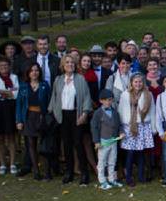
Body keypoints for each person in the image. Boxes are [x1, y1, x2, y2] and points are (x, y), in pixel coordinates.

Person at [49, 55, 93, 185]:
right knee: (66, 145)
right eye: (67, 62)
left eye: (72, 62)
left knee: (78, 144)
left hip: (76, 114)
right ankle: (69, 172)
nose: (70, 64)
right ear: (63, 65)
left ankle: (84, 173)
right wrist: (53, 114)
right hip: (63, 116)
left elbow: (86, 98)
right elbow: (54, 98)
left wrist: (84, 114)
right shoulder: (58, 80)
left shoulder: (80, 79)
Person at [16, 62, 53, 180]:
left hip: (41, 117)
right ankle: (36, 171)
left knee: (44, 145)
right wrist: (19, 120)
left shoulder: (44, 85)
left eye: (36, 70)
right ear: (28, 73)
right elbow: (19, 104)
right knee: (31, 145)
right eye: (32, 70)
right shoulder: (23, 86)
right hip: (28, 117)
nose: (34, 73)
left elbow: (49, 102)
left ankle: (47, 171)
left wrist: (48, 117)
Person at [119, 73, 155, 186]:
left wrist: (154, 128)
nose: (138, 84)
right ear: (131, 83)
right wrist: (121, 127)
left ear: (143, 83)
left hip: (143, 125)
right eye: (135, 82)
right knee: (130, 152)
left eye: (140, 82)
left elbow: (152, 111)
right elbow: (121, 110)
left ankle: (141, 175)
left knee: (141, 152)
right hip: (129, 126)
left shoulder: (148, 95)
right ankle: (128, 177)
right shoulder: (125, 94)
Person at [0, 57, 20, 175]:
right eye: (1, 66)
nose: (3, 68)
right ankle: (2, 163)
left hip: (10, 109)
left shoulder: (14, 77)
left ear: (9, 66)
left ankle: (12, 163)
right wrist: (6, 93)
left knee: (11, 137)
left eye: (6, 65)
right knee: (0, 138)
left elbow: (15, 94)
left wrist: (1, 92)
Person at [91, 88, 123, 189]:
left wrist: (121, 132)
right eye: (107, 100)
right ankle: (102, 180)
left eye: (110, 100)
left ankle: (112, 179)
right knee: (102, 162)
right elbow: (94, 127)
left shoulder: (114, 112)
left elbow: (119, 124)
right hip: (103, 142)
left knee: (112, 161)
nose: (109, 102)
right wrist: (96, 141)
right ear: (101, 101)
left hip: (113, 141)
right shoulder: (98, 113)